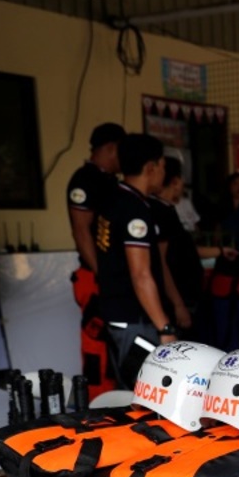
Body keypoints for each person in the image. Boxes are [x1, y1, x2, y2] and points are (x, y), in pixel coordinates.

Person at [95, 133, 176, 389]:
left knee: (130, 389)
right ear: (151, 168)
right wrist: (164, 327)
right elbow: (141, 275)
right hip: (134, 320)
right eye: (163, 166)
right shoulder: (134, 210)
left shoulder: (114, 199)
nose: (163, 172)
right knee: (143, 392)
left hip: (117, 313)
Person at [66, 121, 125, 395]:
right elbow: (81, 231)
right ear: (111, 149)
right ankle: (95, 404)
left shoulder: (112, 182)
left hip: (114, 276)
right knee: (96, 343)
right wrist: (102, 274)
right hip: (94, 278)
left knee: (116, 345)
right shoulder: (84, 179)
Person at [206, 171, 239, 350]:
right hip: (224, 268)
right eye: (235, 184)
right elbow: (213, 237)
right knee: (222, 320)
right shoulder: (219, 210)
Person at [149, 157, 201, 337]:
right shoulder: (160, 211)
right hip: (176, 300)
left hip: (185, 296)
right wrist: (178, 304)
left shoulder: (168, 210)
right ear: (175, 181)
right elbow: (161, 262)